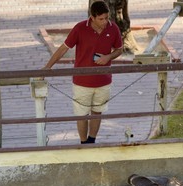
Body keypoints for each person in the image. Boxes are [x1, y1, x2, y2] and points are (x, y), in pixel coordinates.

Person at [42, 1, 123, 144]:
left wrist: (108, 57)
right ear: (92, 17)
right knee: (81, 115)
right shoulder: (80, 28)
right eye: (101, 19)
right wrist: (48, 67)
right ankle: (83, 142)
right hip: (82, 82)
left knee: (97, 112)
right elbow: (63, 48)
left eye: (106, 18)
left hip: (103, 81)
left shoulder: (113, 28)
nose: (105, 22)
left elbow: (119, 49)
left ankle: (91, 142)